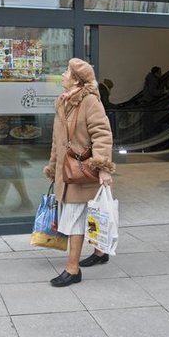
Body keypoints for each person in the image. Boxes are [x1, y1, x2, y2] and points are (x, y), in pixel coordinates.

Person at [44, 58, 115, 287]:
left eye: (67, 72)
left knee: (75, 217)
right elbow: (58, 141)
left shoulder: (90, 102)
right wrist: (53, 167)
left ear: (76, 79)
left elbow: (102, 134)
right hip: (68, 171)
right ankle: (100, 251)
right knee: (91, 214)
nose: (63, 75)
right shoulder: (63, 102)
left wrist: (103, 167)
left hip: (83, 170)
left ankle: (72, 269)